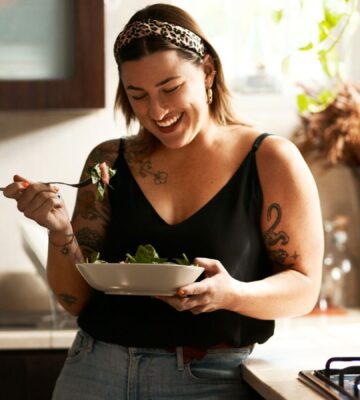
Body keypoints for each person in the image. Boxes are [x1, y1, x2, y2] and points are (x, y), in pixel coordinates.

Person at [3, 3, 324, 399]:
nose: (157, 111)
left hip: (210, 381)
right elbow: (75, 300)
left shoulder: (269, 160)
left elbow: (305, 288)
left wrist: (231, 294)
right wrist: (59, 230)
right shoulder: (108, 162)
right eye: (138, 95)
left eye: (171, 89)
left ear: (207, 71)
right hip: (93, 371)